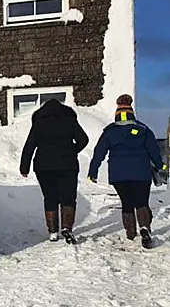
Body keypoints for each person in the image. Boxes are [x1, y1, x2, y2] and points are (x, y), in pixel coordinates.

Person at [88, 94, 167, 249]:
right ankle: (144, 228)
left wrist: (93, 171)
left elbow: (99, 152)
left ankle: (131, 234)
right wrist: (160, 166)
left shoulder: (109, 131)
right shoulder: (144, 129)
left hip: (119, 175)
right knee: (142, 201)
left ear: (117, 114)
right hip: (141, 173)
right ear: (132, 112)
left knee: (127, 203)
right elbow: (153, 151)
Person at [20, 98, 90, 243]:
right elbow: (83, 139)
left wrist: (24, 167)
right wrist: (72, 151)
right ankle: (67, 228)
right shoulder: (70, 121)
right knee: (68, 196)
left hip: (43, 166)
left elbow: (29, 146)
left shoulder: (38, 125)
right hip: (67, 165)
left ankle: (52, 232)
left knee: (50, 197)